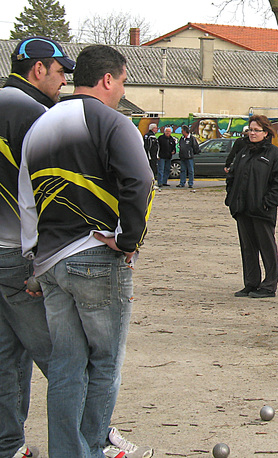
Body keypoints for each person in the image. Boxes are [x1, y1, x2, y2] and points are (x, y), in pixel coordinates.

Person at [18, 44, 155, 458]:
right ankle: (92, 449)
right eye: (123, 82)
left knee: (66, 366)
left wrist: (34, 259)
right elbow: (141, 181)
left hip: (51, 261)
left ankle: (68, 452)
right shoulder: (112, 122)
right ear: (108, 79)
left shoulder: (40, 125)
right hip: (95, 255)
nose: (122, 91)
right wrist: (129, 240)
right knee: (104, 362)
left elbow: (27, 200)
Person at [0, 34, 70, 458]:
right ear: (38, 68)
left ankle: (9, 446)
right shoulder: (36, 114)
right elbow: (54, 189)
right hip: (17, 253)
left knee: (7, 355)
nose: (64, 82)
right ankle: (92, 440)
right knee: (62, 355)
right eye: (60, 72)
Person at [225, 115, 278, 299]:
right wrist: (232, 198)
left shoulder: (275, 155)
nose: (252, 133)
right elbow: (232, 176)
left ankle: (269, 285)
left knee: (267, 248)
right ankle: (251, 283)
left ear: (266, 133)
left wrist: (267, 203)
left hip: (262, 211)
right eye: (250, 130)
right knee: (248, 248)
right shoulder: (243, 152)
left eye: (256, 130)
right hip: (242, 209)